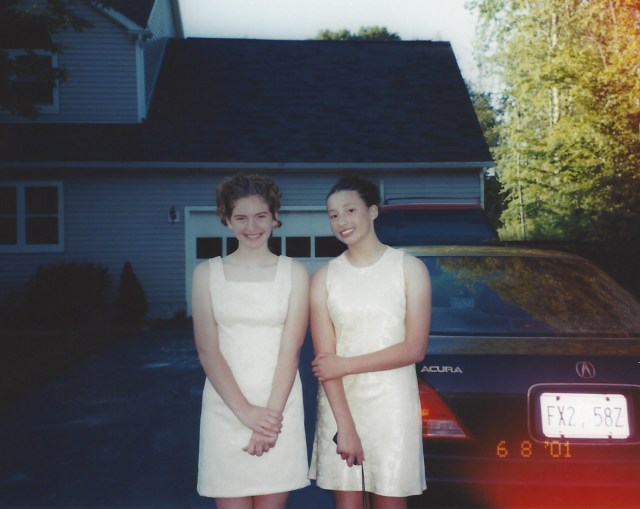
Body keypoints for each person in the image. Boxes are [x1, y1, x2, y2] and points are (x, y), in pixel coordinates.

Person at [308, 175, 431, 509]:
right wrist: (344, 427)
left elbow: (414, 348)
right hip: (339, 407)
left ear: (373, 211)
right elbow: (325, 361)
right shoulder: (323, 278)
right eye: (333, 215)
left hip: (392, 407)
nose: (342, 221)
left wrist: (346, 364)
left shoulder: (410, 269)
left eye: (350, 210)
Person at [192, 173, 310, 509]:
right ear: (227, 219)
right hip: (226, 407)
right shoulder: (206, 274)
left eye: (261, 216)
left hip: (279, 406)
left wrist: (268, 421)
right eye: (240, 217)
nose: (252, 226)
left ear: (274, 216)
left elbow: (292, 350)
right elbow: (207, 350)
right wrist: (245, 413)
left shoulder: (295, 273)